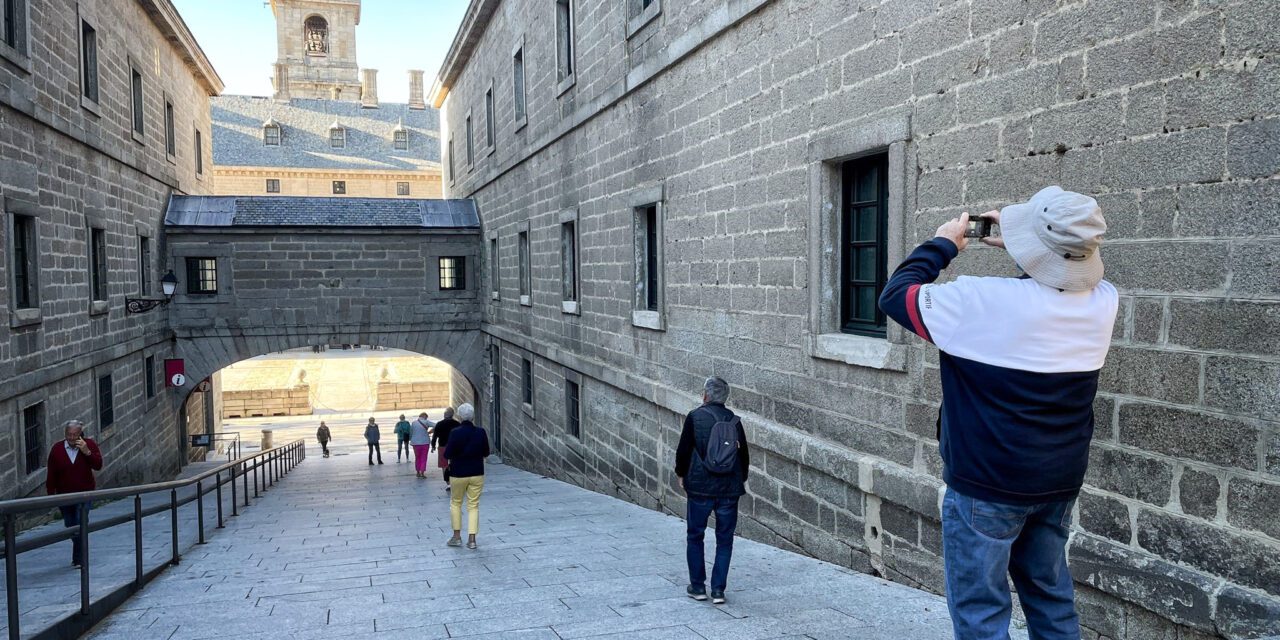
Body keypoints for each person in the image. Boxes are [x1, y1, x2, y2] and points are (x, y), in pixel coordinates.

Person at [877, 186, 1117, 640]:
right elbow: (1057, 281)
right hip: (1058, 481)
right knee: (1050, 597)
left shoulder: (977, 301)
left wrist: (944, 243)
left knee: (981, 611)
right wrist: (1032, 245)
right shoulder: (1104, 302)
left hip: (987, 485)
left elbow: (896, 295)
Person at [674, 377, 749, 606]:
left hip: (700, 488)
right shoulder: (734, 421)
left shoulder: (695, 417)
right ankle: (718, 590)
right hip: (729, 489)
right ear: (725, 398)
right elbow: (744, 456)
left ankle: (697, 587)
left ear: (705, 395)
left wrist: (681, 474)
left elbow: (684, 450)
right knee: (724, 540)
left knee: (695, 535)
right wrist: (740, 480)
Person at [45, 420, 103, 567]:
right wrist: (51, 495)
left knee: (80, 521)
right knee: (70, 525)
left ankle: (79, 558)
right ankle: (78, 552)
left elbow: (98, 465)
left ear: (80, 434)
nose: (71, 438)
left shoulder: (88, 444)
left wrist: (87, 452)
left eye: (74, 435)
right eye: (68, 434)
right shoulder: (57, 449)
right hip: (64, 495)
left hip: (85, 494)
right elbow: (51, 473)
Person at [443, 403, 489, 550]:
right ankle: (472, 540)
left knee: (456, 503)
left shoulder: (455, 433)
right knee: (473, 505)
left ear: (460, 417)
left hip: (458, 473)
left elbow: (447, 454)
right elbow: (486, 452)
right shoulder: (481, 432)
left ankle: (456, 537)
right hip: (476, 473)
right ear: (473, 416)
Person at [431, 407, 460, 490]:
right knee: (454, 463)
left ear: (444, 415)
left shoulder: (439, 424)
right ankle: (455, 480)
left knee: (444, 465)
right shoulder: (456, 423)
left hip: (442, 446)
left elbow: (435, 436)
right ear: (452, 415)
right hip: (454, 446)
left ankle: (448, 483)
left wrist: (433, 446)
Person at [410, 412, 434, 478]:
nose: (426, 418)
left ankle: (417, 472)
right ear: (424, 416)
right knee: (424, 458)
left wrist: (411, 440)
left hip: (415, 443)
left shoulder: (413, 423)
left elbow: (411, 432)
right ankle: (422, 473)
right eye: (426, 417)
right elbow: (437, 425)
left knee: (417, 457)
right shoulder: (427, 422)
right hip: (425, 442)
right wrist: (431, 431)